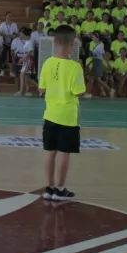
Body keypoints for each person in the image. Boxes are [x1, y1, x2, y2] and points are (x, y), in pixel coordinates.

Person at [39, 25, 86, 201]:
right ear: (72, 43)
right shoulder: (75, 67)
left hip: (50, 115)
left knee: (49, 152)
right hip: (68, 117)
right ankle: (60, 189)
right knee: (64, 153)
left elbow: (42, 88)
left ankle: (49, 187)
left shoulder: (47, 63)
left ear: (55, 41)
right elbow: (79, 92)